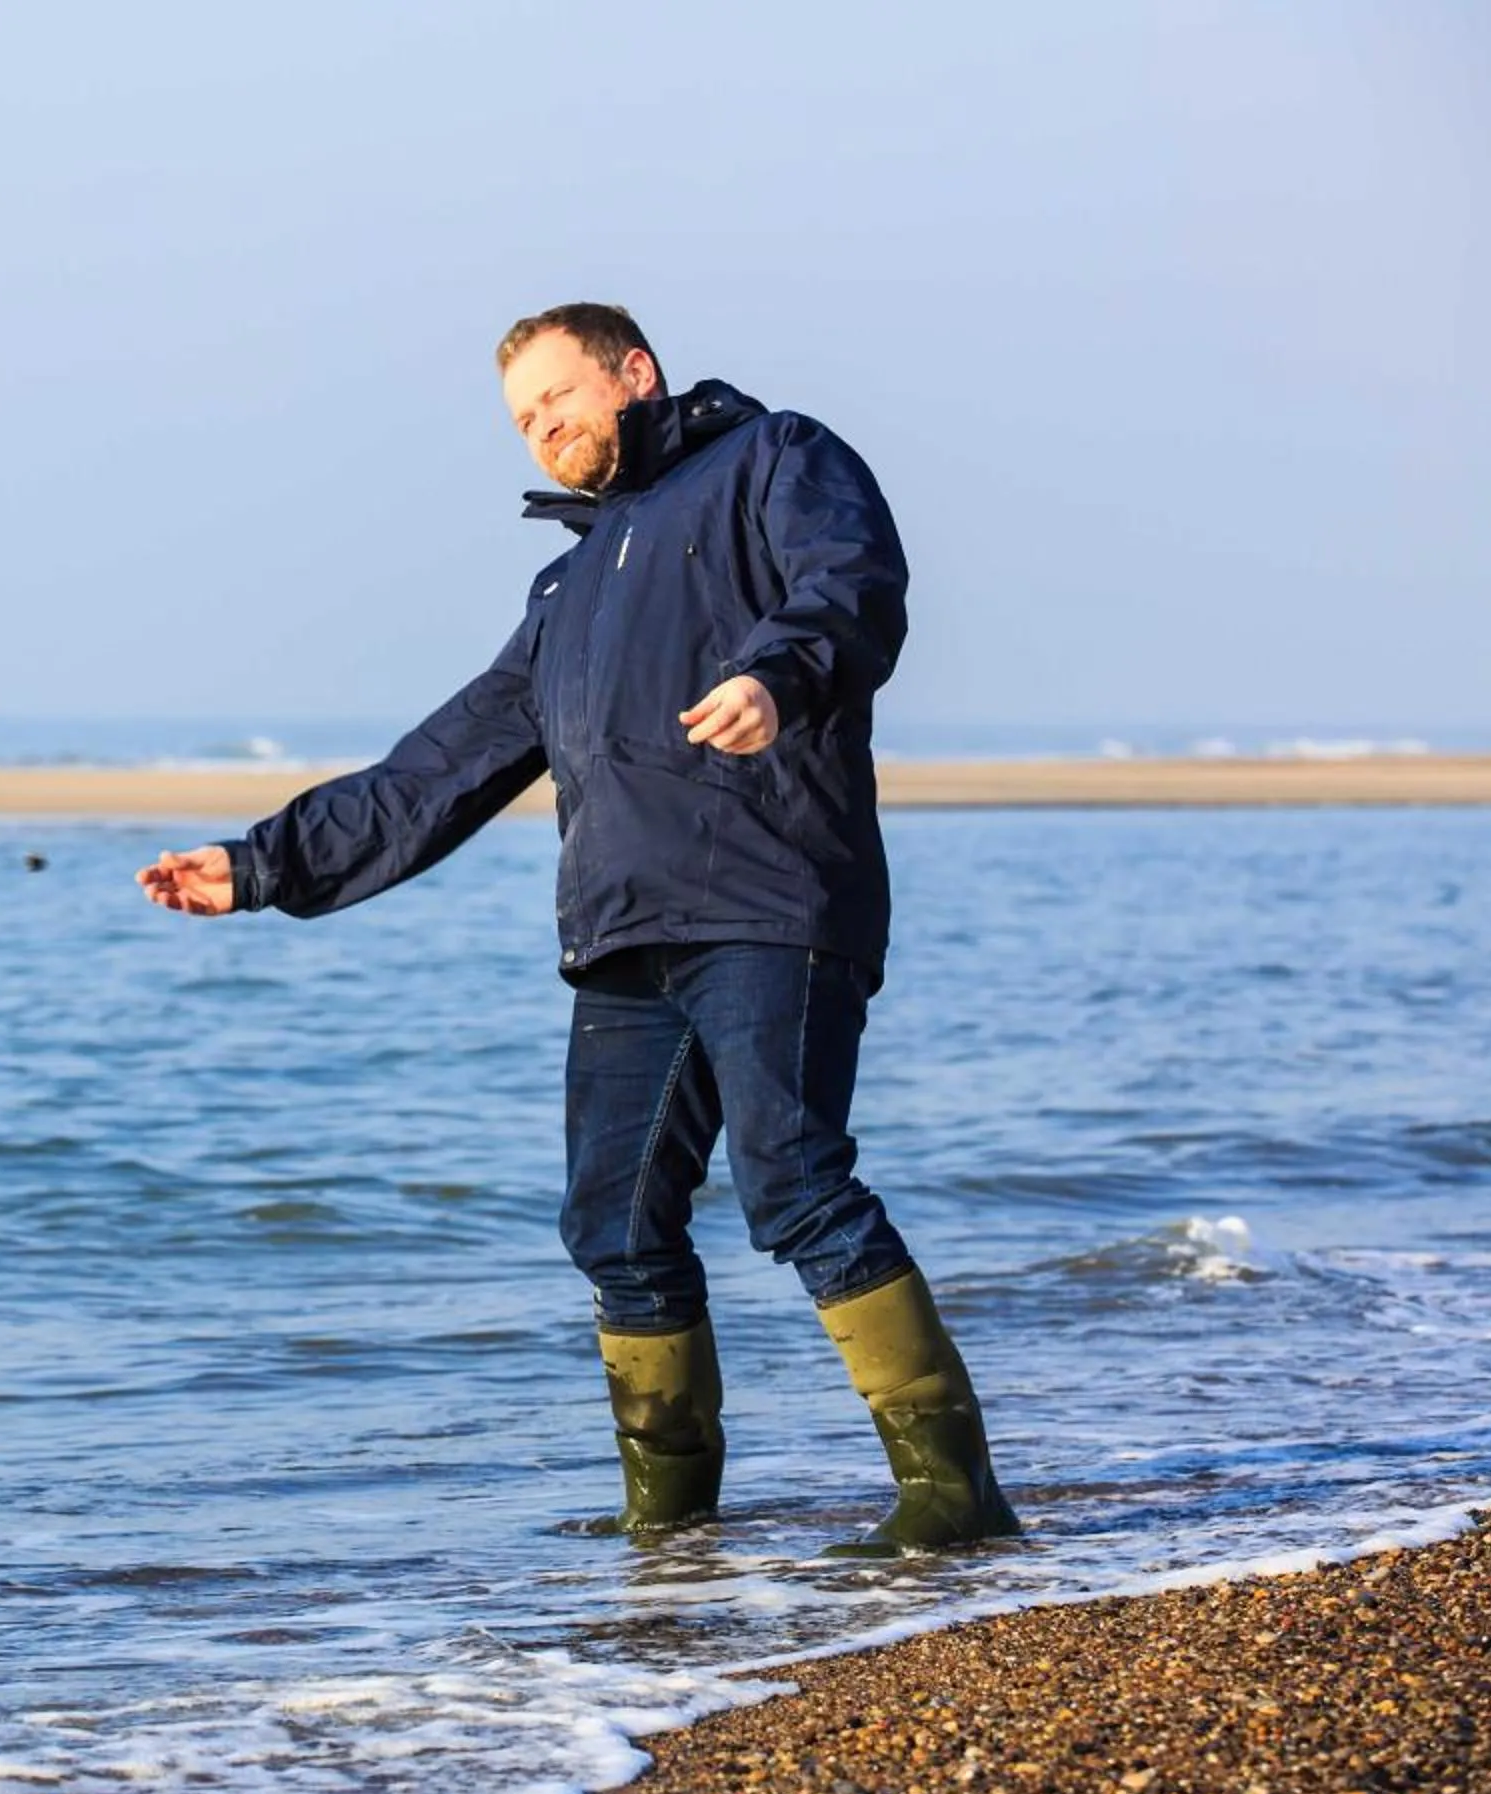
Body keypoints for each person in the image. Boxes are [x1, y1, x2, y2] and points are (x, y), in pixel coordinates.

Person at [136, 302, 1018, 1552]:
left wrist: (778, 675)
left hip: (772, 900)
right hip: (623, 936)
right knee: (611, 1225)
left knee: (796, 1183)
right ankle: (671, 1524)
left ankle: (953, 1494)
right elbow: (435, 771)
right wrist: (263, 865)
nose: (545, 431)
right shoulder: (565, 588)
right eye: (524, 420)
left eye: (560, 399)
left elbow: (851, 582)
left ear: (634, 374)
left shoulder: (774, 459)